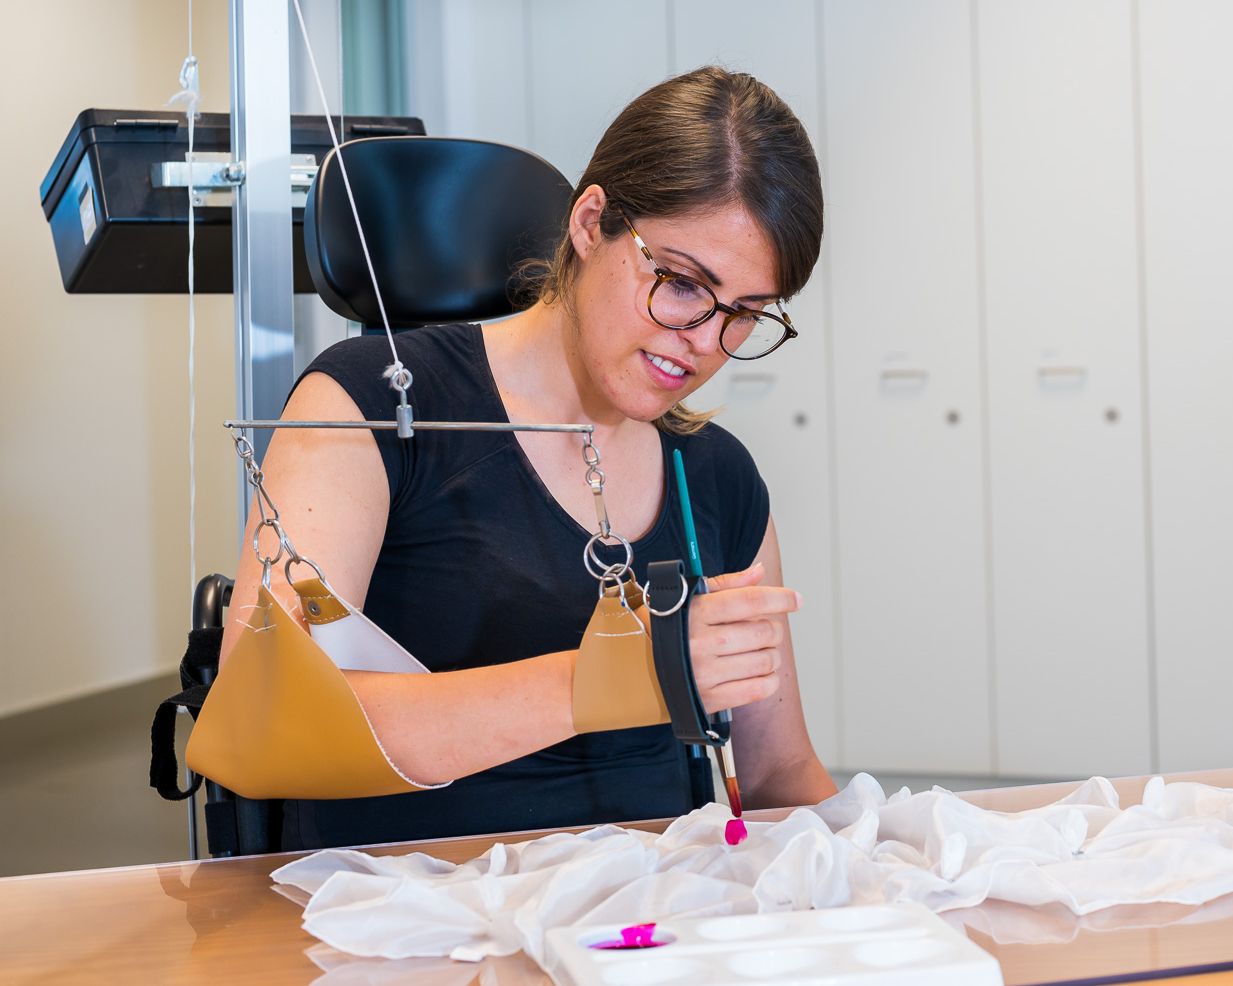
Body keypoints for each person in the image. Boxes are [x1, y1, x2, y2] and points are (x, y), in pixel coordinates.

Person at [219, 66, 838, 850]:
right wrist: (616, 679)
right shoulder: (367, 407)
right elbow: (262, 725)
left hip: (645, 935)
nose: (707, 344)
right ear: (590, 222)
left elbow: (780, 775)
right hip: (407, 933)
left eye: (745, 315)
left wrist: (897, 873)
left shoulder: (714, 476)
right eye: (682, 284)